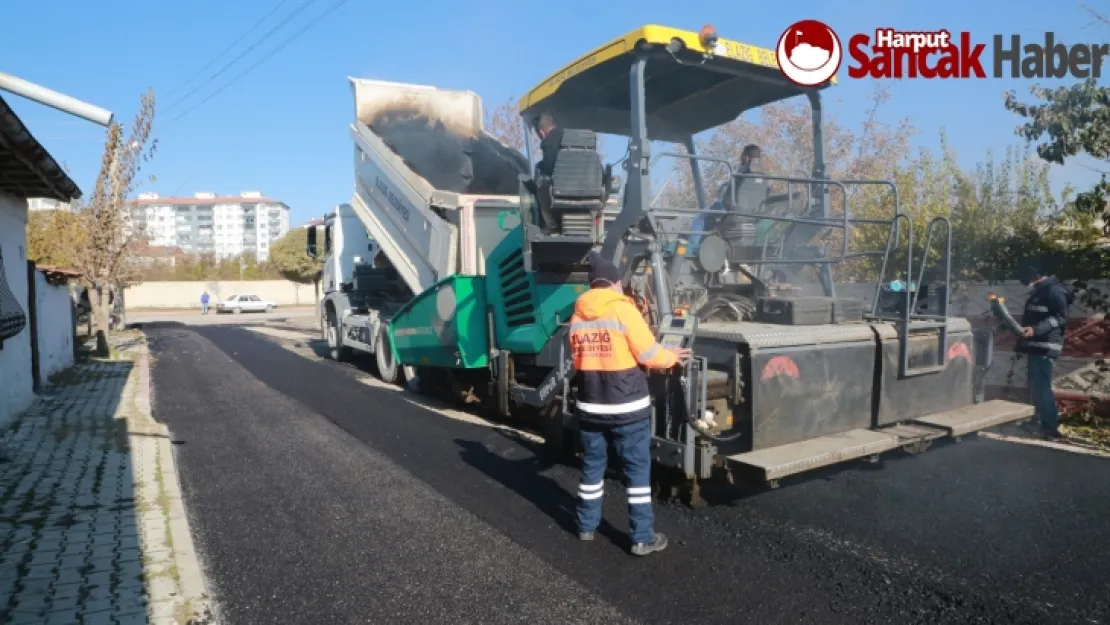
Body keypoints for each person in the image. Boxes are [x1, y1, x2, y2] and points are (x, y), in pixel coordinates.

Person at [568, 251, 692, 556]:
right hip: (626, 408)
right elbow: (650, 355)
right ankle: (641, 538)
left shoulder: (577, 315)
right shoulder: (623, 311)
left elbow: (578, 359)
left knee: (592, 467)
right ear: (613, 282)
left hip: (591, 407)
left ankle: (586, 526)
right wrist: (672, 357)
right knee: (636, 472)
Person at [1015, 262, 1074, 439]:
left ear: (1036, 274)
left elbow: (1061, 318)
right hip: (1036, 345)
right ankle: (1038, 421)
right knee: (1036, 387)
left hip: (1045, 346)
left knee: (1042, 388)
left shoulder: (1054, 291)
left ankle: (1050, 428)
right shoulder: (1041, 290)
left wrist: (1035, 329)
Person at [532, 113, 565, 235]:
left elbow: (549, 168)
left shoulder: (548, 140)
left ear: (542, 132)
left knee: (542, 190)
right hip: (588, 187)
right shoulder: (571, 136)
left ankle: (552, 226)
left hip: (563, 187)